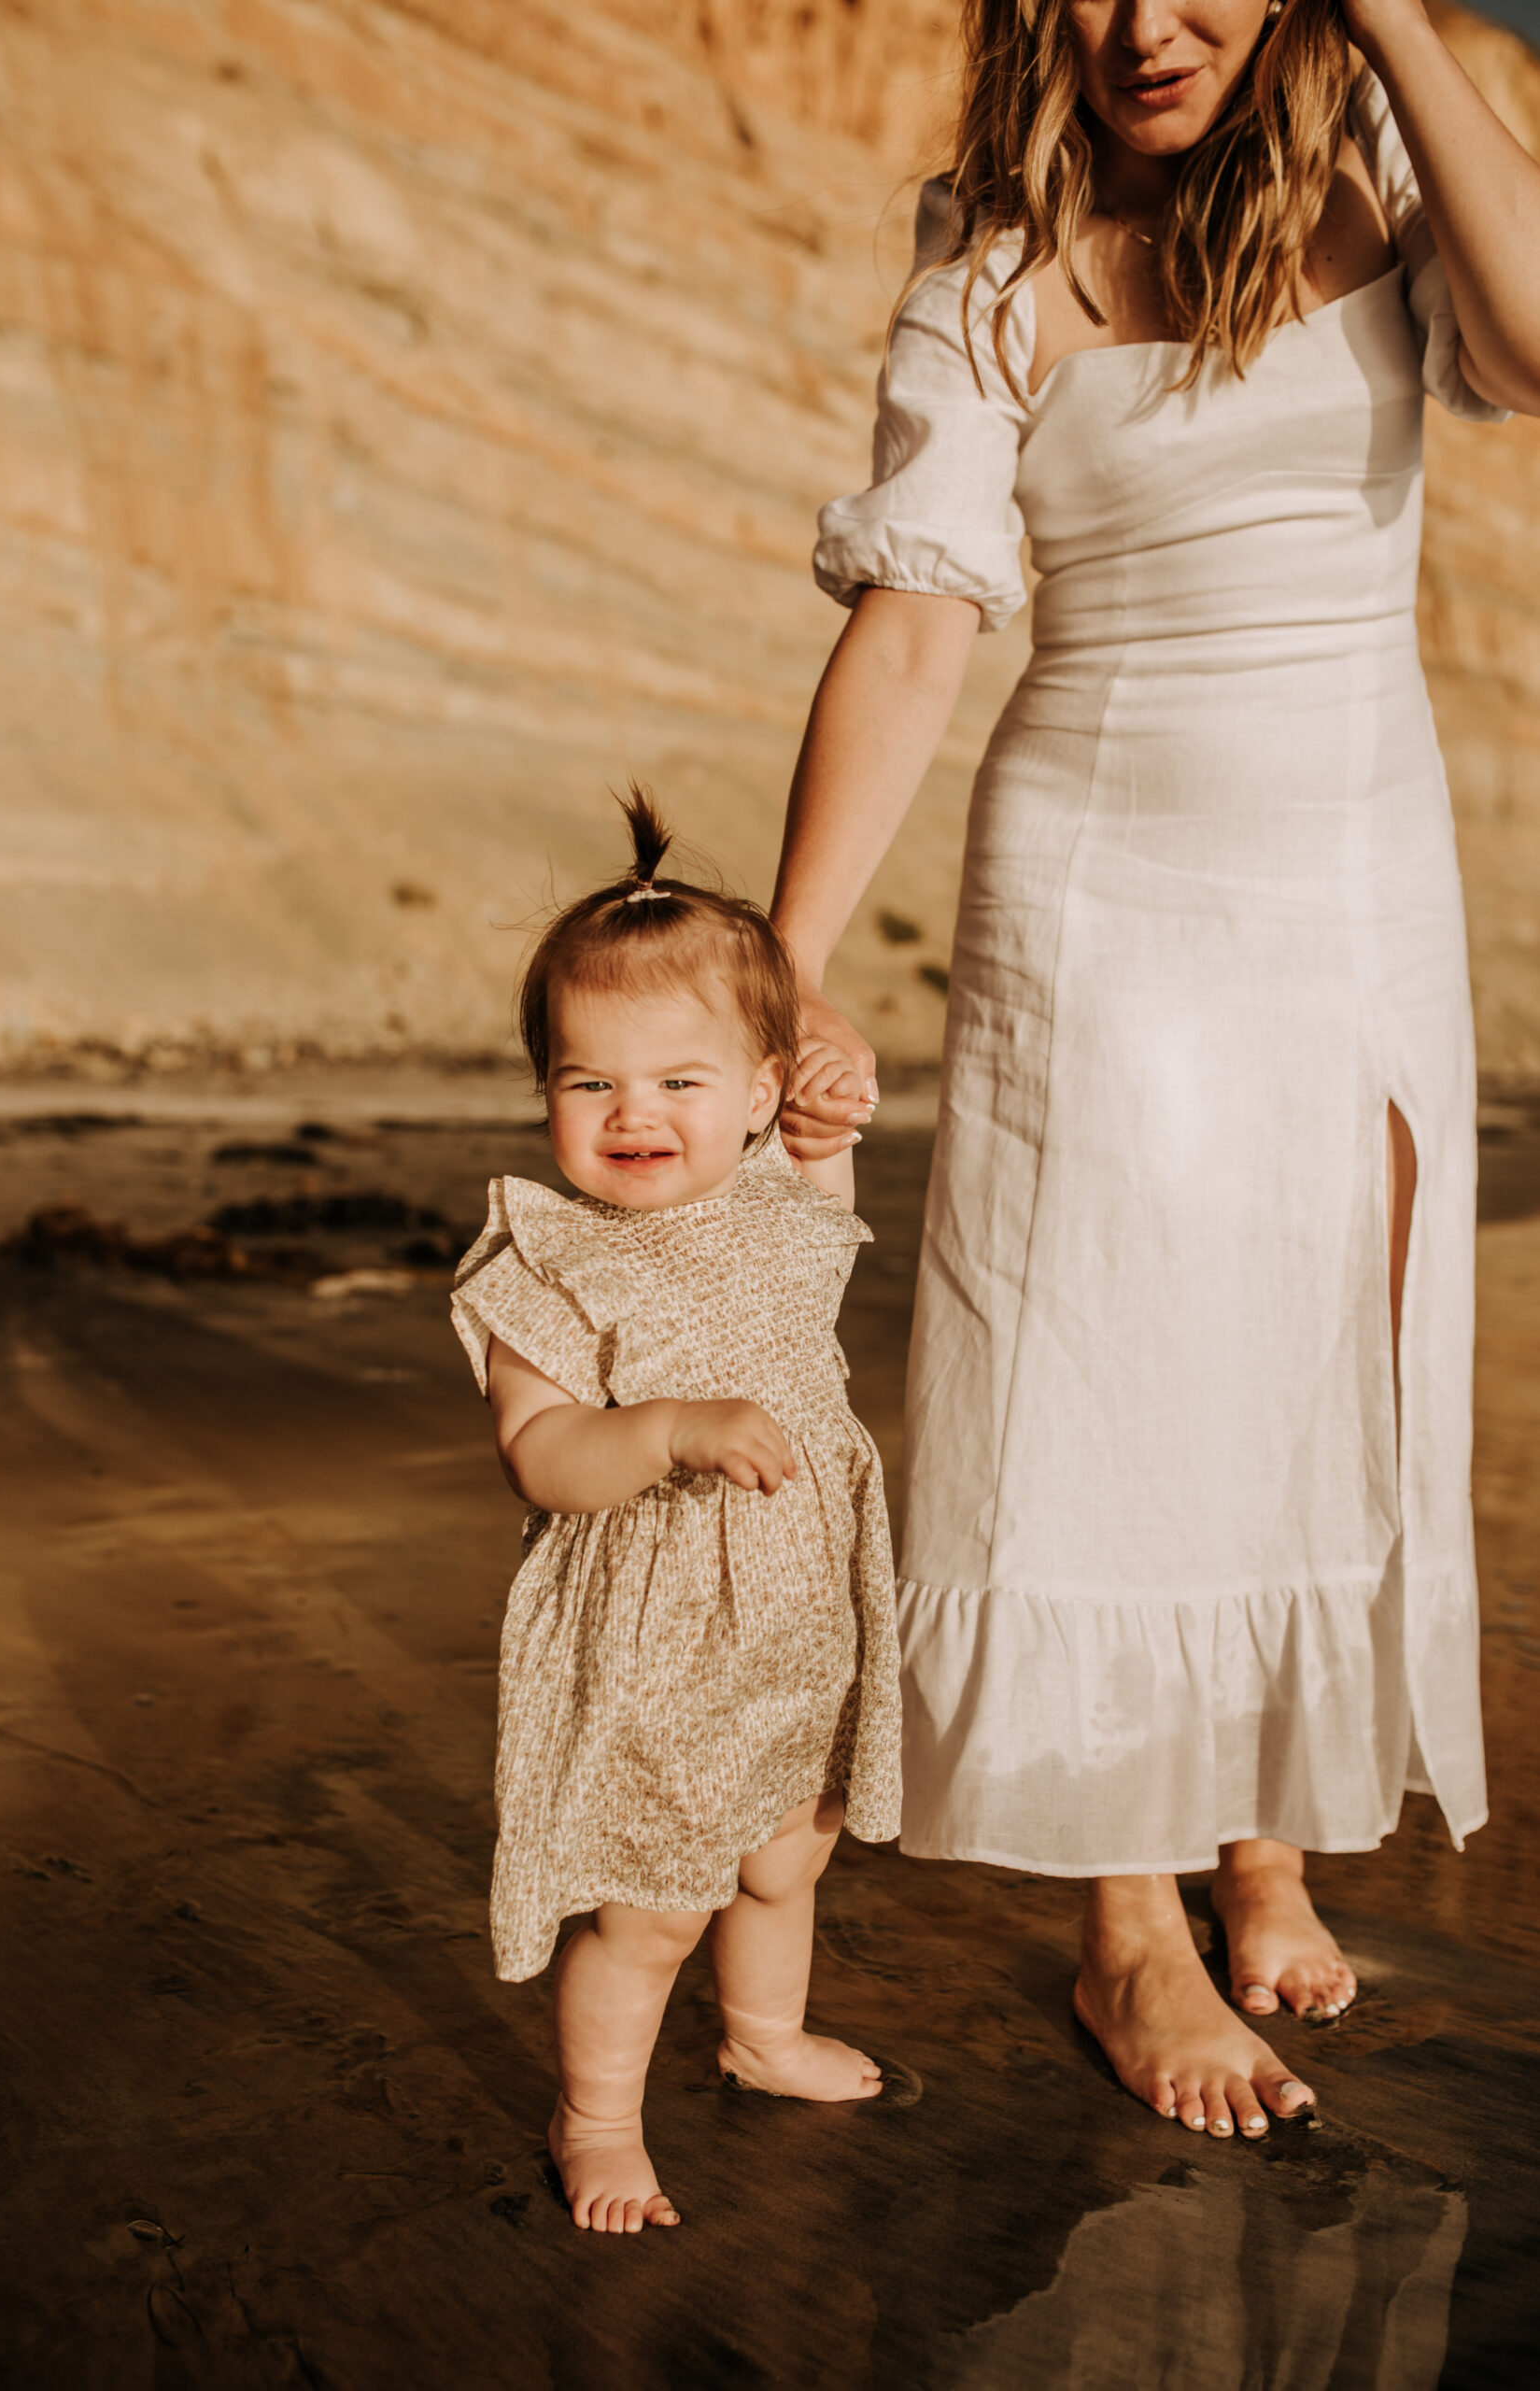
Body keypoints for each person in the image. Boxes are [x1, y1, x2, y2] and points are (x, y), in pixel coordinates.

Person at [770, 0, 1540, 2141]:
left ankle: (1263, 1834)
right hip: (1102, 879)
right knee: (1108, 1360)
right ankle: (1131, 1916)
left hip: (1357, 867)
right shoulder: (993, 271)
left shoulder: (1384, 158)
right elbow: (920, 623)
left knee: (1315, 1344)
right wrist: (788, 954)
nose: (1144, 22)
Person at [451, 790, 904, 2233]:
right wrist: (662, 1433)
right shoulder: (545, 1255)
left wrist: (833, 1104)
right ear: (546, 1095)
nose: (634, 1115)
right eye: (591, 1085)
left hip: (803, 1610)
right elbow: (543, 1457)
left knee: (790, 1849)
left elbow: (833, 1136)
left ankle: (764, 2036)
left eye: (681, 1083)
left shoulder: (785, 1194)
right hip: (654, 1643)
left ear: (761, 1093)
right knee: (653, 1898)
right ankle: (596, 2117)